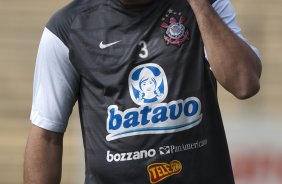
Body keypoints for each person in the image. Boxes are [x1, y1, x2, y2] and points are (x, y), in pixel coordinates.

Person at [24, 0, 262, 183]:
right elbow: (46, 135)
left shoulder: (206, 6)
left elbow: (244, 83)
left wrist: (199, 4)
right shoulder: (68, 27)